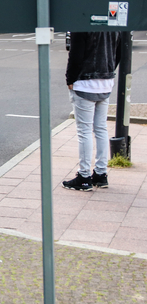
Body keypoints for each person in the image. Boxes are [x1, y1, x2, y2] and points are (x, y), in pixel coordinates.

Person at [63, 31, 121, 191]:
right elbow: (119, 49)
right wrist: (108, 71)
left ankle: (84, 177)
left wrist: (70, 78)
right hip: (106, 82)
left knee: (84, 131)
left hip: (84, 83)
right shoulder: (111, 21)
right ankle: (101, 174)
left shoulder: (81, 22)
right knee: (101, 128)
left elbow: (75, 55)